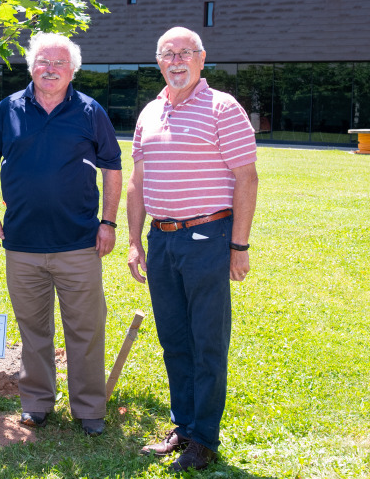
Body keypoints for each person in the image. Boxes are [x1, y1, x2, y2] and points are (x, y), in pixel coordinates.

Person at [0, 32, 122, 437]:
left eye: (59, 63)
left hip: (79, 243)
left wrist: (108, 223)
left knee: (86, 330)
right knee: (33, 330)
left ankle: (89, 409)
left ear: (73, 69)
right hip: (21, 245)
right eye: (43, 61)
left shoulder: (91, 111)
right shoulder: (7, 110)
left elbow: (113, 168)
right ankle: (37, 403)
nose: (50, 69)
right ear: (31, 66)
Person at [127, 27, 258, 471]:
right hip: (161, 239)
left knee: (207, 341)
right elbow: (137, 184)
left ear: (202, 59)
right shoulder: (149, 112)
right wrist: (133, 240)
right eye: (168, 54)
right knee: (174, 339)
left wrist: (239, 245)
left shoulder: (222, 107)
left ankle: (204, 437)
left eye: (185, 53)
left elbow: (246, 178)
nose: (176, 60)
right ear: (158, 62)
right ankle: (183, 426)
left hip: (209, 237)